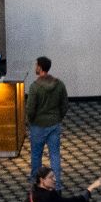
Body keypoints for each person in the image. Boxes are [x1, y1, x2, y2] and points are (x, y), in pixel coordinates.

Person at [25, 55, 68, 186]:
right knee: (54, 154)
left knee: (36, 154)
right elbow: (65, 104)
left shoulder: (35, 87)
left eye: (36, 65)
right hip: (54, 124)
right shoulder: (59, 84)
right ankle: (57, 183)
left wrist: (29, 121)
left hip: (38, 125)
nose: (35, 67)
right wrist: (58, 117)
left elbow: (30, 108)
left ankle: (36, 179)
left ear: (40, 67)